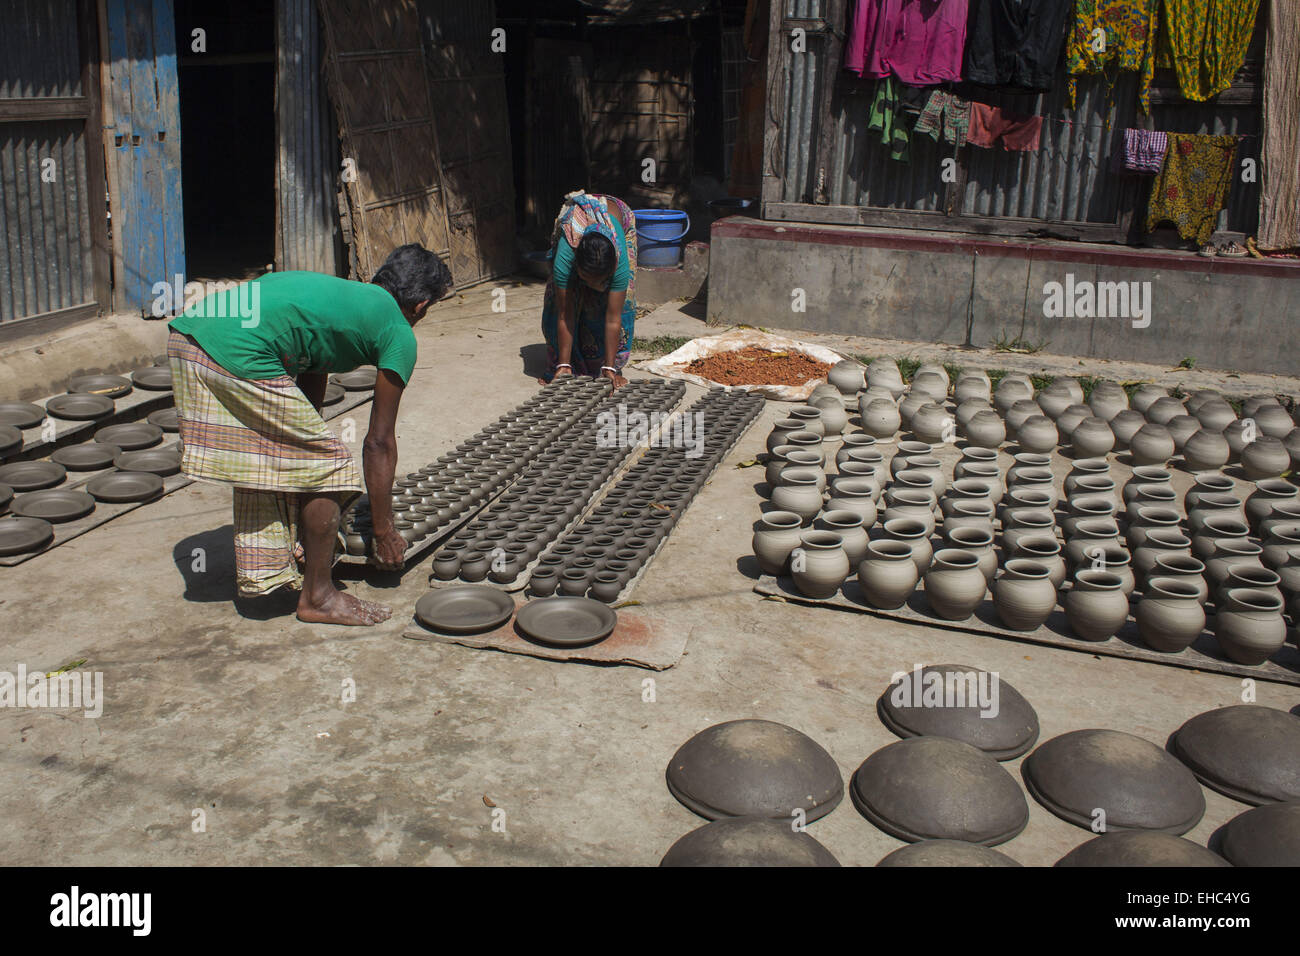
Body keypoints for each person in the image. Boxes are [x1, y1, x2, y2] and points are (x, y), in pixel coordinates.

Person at [166, 245, 452, 626]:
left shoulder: (344, 299)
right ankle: (318, 597)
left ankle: (278, 560)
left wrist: (304, 450)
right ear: (420, 305)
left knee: (283, 461)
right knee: (329, 471)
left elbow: (310, 366)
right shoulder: (398, 332)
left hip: (191, 333)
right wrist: (383, 531)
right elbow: (378, 442)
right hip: (232, 349)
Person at [539, 191, 638, 388]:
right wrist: (563, 364)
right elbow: (564, 314)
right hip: (576, 230)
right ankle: (565, 364)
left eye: (601, 280)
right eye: (587, 279)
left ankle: (607, 365)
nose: (594, 286)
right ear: (577, 267)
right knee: (556, 303)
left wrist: (610, 369)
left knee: (623, 303)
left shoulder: (619, 263)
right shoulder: (567, 255)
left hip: (618, 219)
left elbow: (613, 318)